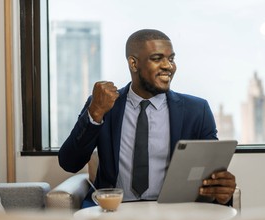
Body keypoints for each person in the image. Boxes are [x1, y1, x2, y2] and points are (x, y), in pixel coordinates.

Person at [58, 29, 236, 208]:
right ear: (133, 64)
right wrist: (95, 114)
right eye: (157, 58)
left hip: (174, 212)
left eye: (171, 59)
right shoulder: (104, 104)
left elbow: (211, 173)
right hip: (113, 211)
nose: (168, 66)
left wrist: (222, 190)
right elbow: (69, 162)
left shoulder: (197, 110)